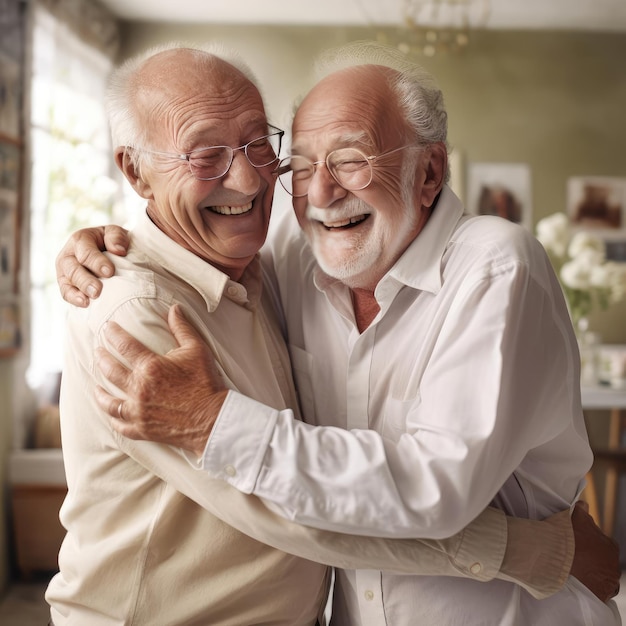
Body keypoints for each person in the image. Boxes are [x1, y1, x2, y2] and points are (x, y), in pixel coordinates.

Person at [54, 42, 621, 625]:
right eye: (299, 165)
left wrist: (215, 423)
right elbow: (281, 510)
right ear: (134, 170)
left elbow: (434, 488)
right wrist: (535, 551)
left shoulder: (494, 267)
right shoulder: (261, 270)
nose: (313, 191)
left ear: (429, 172)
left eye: (351, 159)